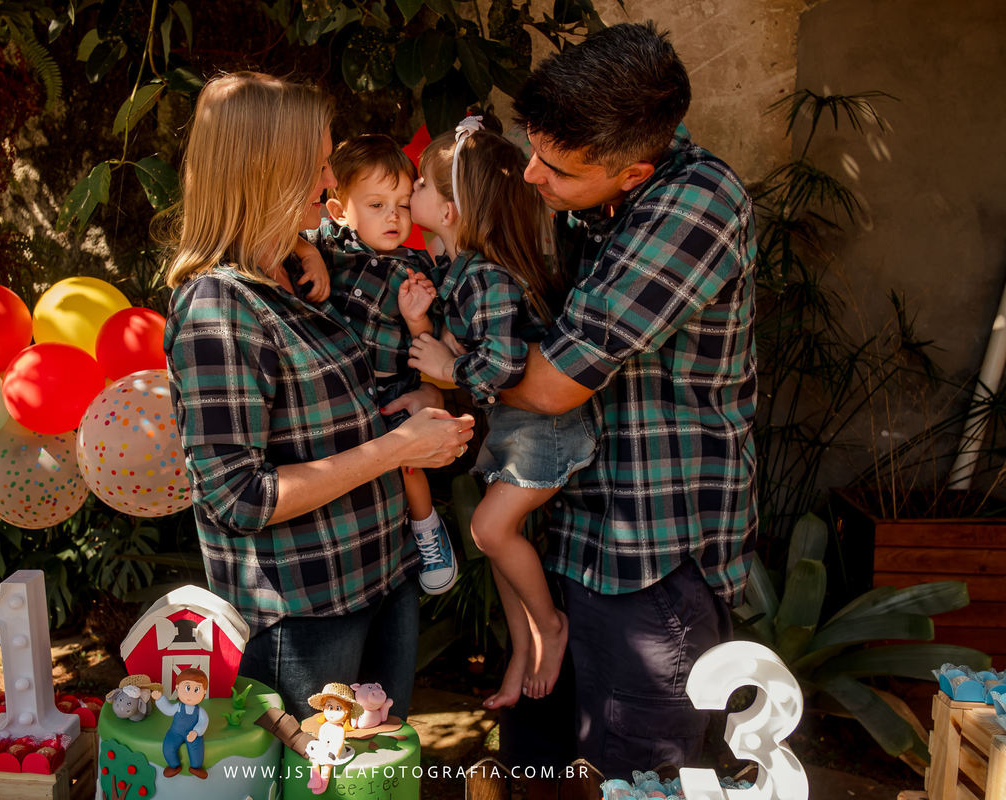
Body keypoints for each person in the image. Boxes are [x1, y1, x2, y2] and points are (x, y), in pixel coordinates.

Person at [162, 72, 475, 722]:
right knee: (309, 786)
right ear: (266, 172)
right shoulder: (218, 304)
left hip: (381, 579)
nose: (330, 181)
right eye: (318, 165)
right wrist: (396, 448)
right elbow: (236, 497)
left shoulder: (299, 268)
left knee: (372, 783)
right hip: (303, 617)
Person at [496, 22, 758, 776]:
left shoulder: (696, 208)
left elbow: (550, 385)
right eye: (532, 150)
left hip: (652, 559)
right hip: (577, 532)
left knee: (636, 777)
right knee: (547, 764)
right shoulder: (596, 194)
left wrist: (464, 363)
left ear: (635, 172)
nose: (532, 177)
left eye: (559, 170)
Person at [404, 118, 595, 712]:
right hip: (514, 430)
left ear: (453, 209)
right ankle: (521, 650)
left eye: (419, 186)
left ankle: (551, 627)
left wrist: (444, 370)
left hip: (545, 429)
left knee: (489, 530)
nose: (412, 194)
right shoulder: (460, 270)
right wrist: (421, 326)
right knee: (497, 543)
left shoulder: (486, 276)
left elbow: (503, 367)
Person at [301, 134, 458, 596]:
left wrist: (416, 317)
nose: (393, 216)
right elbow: (287, 238)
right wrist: (309, 252)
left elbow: (428, 348)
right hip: (340, 388)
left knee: (406, 460)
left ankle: (427, 529)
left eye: (402, 204)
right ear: (338, 211)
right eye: (376, 204)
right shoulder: (326, 247)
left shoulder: (415, 266)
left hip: (392, 384)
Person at [151, 668, 210, 779]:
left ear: (204, 692)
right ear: (177, 688)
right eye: (187, 688)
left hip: (193, 733)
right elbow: (168, 710)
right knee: (168, 747)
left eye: (196, 690)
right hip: (175, 732)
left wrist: (196, 732)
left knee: (196, 749)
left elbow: (203, 721)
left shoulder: (200, 711)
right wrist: (160, 699)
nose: (190, 694)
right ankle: (174, 766)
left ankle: (196, 767)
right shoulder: (178, 707)